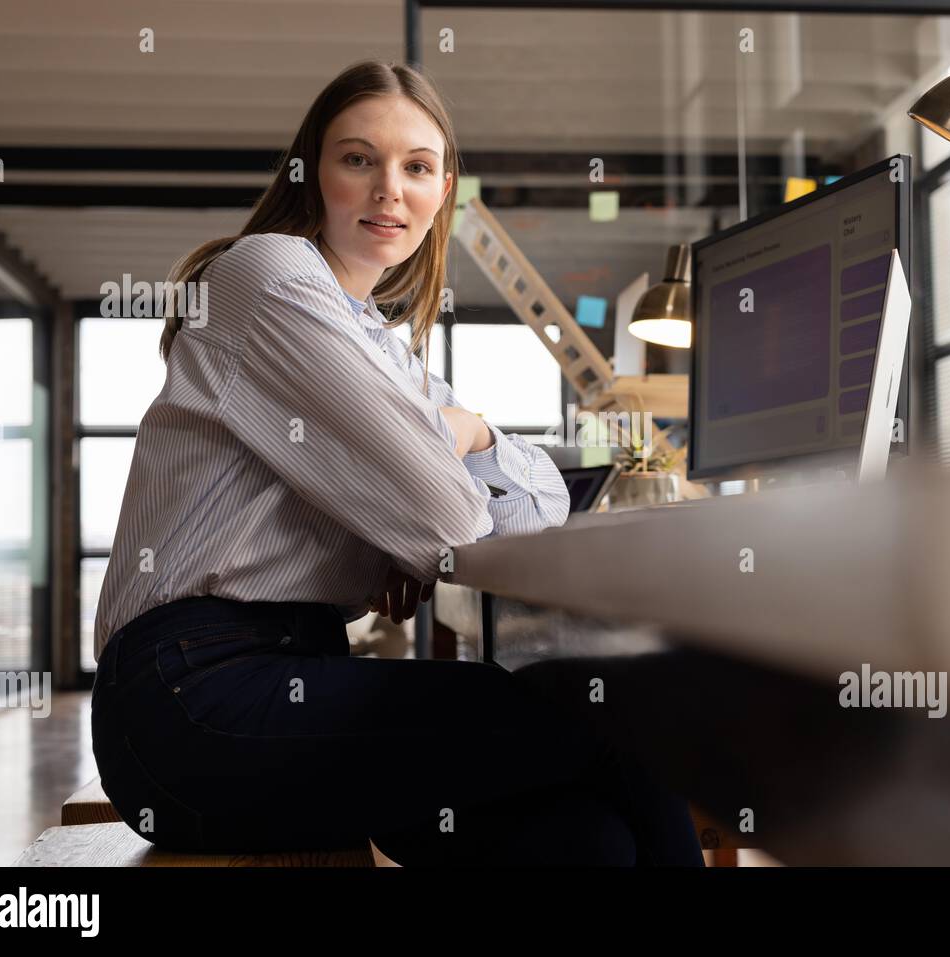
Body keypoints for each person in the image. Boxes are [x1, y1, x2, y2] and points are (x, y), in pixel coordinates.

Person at [89, 59, 704, 867]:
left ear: (443, 188)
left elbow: (540, 504)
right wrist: (421, 492)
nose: (390, 189)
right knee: (618, 717)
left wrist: (471, 431)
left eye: (417, 167)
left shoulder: (384, 350)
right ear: (313, 175)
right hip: (190, 698)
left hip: (293, 680)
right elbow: (451, 522)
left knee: (586, 842)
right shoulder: (270, 277)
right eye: (358, 159)